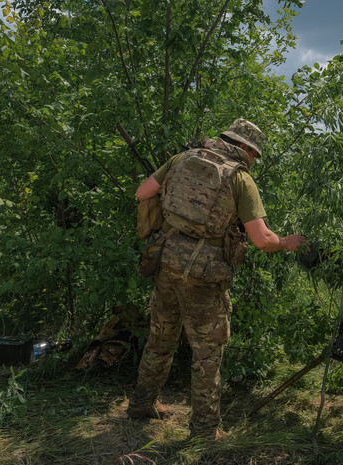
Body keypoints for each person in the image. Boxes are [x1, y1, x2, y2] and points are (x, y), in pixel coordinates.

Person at [128, 118, 307, 439]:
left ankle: (141, 405)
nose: (253, 161)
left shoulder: (183, 158)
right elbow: (262, 240)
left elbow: (142, 193)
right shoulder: (240, 180)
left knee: (160, 337)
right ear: (243, 147)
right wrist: (288, 243)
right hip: (204, 275)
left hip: (165, 261)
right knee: (207, 353)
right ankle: (205, 430)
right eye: (254, 154)